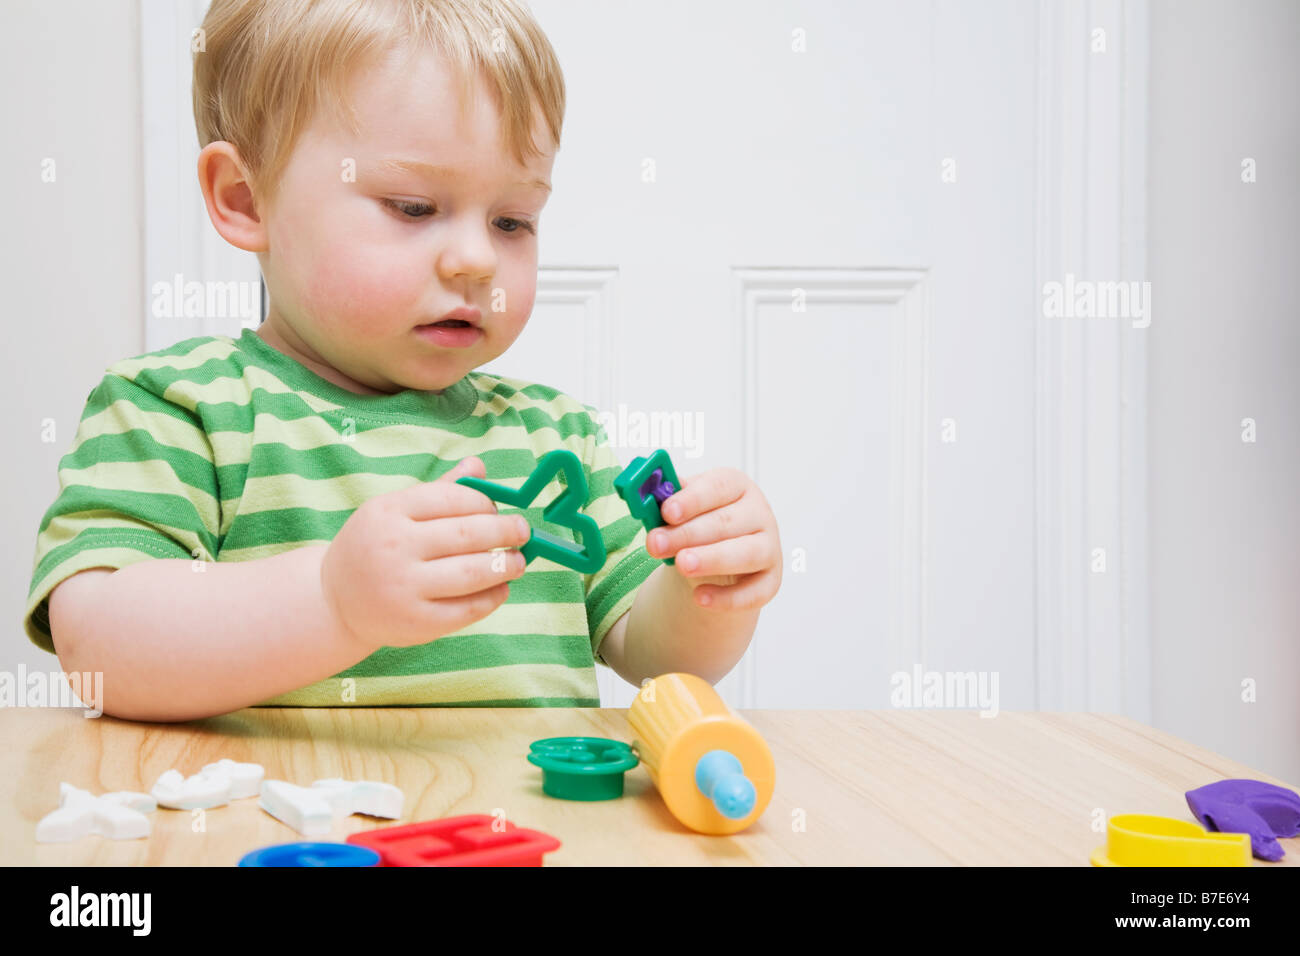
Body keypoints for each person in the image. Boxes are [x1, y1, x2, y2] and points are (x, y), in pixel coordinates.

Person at [24, 0, 782, 721]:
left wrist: (709, 586)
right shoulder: (178, 411)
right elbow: (101, 647)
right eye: (414, 207)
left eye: (513, 219)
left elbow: (654, 657)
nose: (477, 258)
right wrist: (331, 602)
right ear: (247, 200)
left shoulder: (555, 436)